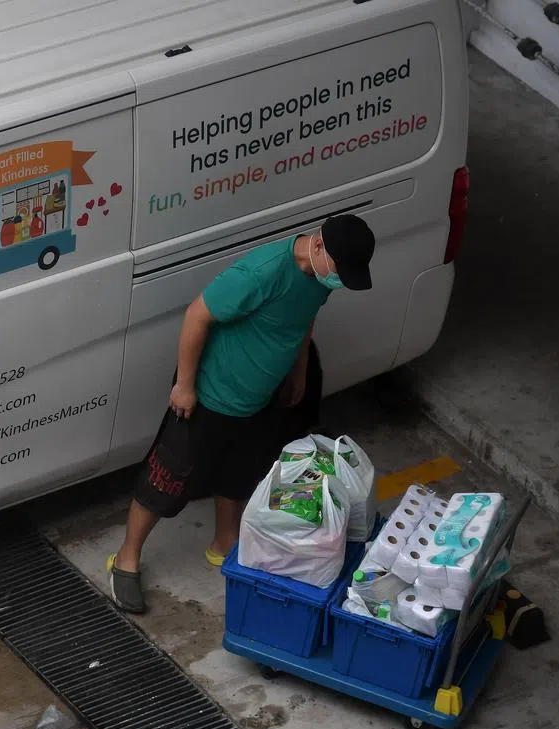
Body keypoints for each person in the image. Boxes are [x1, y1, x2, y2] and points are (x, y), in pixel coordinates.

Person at [106, 214, 376, 613]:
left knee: (240, 472)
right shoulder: (262, 272)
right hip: (211, 395)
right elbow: (197, 315)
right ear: (318, 246)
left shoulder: (319, 278)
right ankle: (126, 559)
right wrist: (184, 386)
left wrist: (299, 370)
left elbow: (304, 322)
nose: (339, 280)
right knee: (167, 479)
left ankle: (224, 542)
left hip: (259, 398)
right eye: (340, 271)